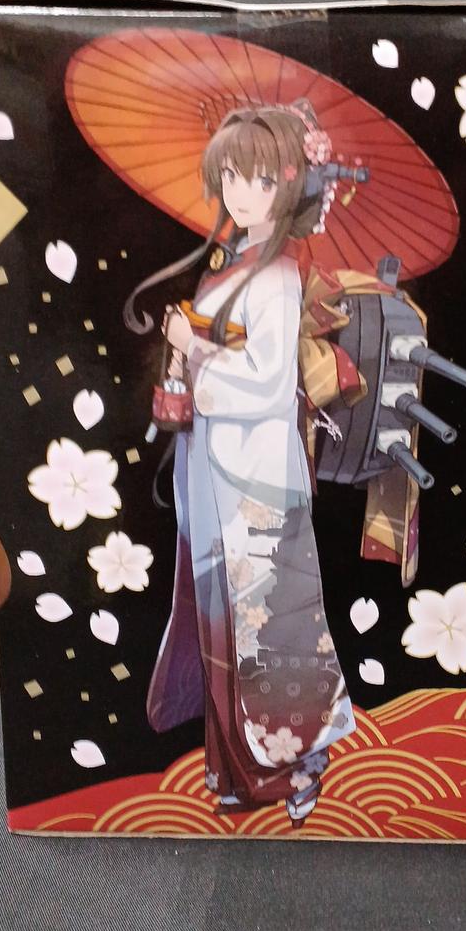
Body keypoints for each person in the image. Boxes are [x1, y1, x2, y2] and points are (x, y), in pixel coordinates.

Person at [124, 100, 356, 827]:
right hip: (216, 473)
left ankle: (296, 768)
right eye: (229, 176)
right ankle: (235, 772)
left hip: (256, 481)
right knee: (224, 630)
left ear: (291, 188)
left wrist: (195, 350)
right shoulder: (233, 267)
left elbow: (266, 384)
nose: (239, 193)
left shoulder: (280, 276)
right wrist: (190, 345)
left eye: (258, 179)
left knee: (271, 632)